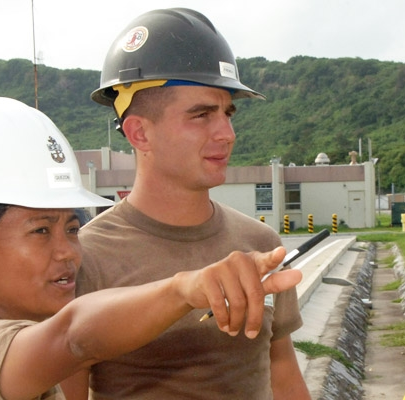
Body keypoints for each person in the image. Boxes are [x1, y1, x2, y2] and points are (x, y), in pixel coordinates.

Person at [0, 97, 302, 400]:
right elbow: (74, 336)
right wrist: (184, 289)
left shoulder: (28, 347)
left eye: (72, 228)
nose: (68, 252)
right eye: (41, 230)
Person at [73, 8, 311, 400]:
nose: (227, 133)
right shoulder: (87, 257)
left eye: (228, 114)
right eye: (201, 115)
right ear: (139, 133)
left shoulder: (260, 244)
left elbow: (283, 373)